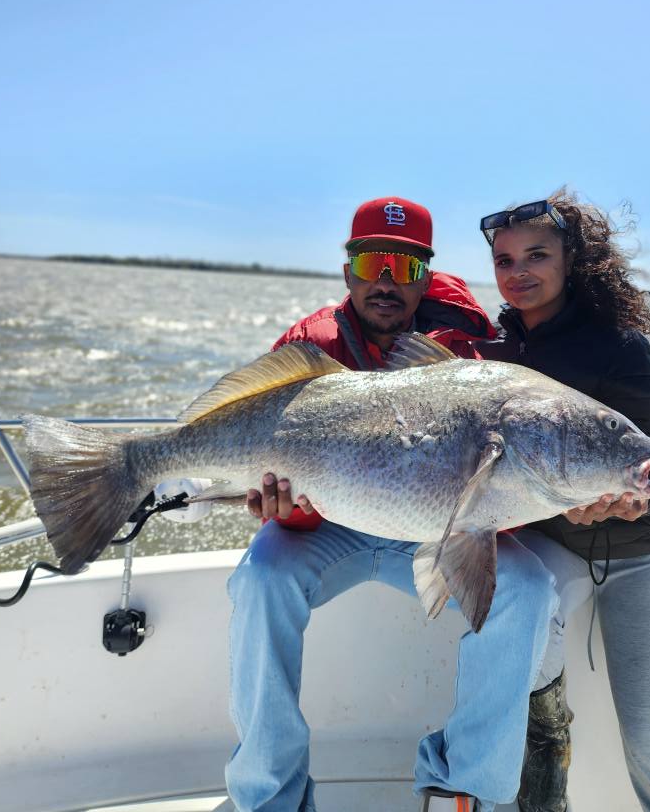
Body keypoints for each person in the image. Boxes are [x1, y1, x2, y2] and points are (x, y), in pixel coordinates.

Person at [225, 196, 560, 812]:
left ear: (425, 277)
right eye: (371, 262)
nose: (386, 280)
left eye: (404, 267)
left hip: (430, 528)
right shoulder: (304, 346)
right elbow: (276, 470)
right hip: (328, 528)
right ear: (348, 269)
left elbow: (503, 479)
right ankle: (271, 796)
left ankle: (467, 790)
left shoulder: (468, 352)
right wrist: (284, 506)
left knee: (528, 590)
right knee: (261, 577)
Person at [476, 191, 650, 812]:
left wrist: (627, 503)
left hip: (644, 556)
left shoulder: (622, 347)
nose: (518, 272)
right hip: (556, 542)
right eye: (504, 260)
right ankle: (545, 786)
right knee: (520, 651)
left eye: (537, 255)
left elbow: (648, 476)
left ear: (571, 259)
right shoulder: (494, 351)